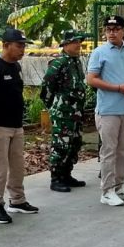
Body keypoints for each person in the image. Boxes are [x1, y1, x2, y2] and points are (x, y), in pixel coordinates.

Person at [86, 15, 124, 207]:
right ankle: (107, 191)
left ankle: (119, 187)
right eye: (108, 29)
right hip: (108, 110)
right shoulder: (99, 52)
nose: (112, 33)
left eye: (116, 29)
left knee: (122, 150)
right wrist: (118, 88)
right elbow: (91, 79)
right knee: (109, 150)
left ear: (123, 31)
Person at [0, 27, 38, 222]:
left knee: (17, 165)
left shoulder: (16, 67)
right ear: (6, 45)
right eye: (19, 46)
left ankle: (17, 200)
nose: (23, 50)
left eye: (24, 46)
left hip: (16, 125)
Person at [42, 29, 89, 192]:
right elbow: (47, 87)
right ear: (66, 44)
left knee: (74, 143)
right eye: (75, 42)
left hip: (76, 112)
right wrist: (54, 107)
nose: (78, 45)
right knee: (61, 144)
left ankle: (67, 174)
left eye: (79, 42)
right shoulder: (58, 62)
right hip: (63, 112)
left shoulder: (76, 61)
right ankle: (56, 178)